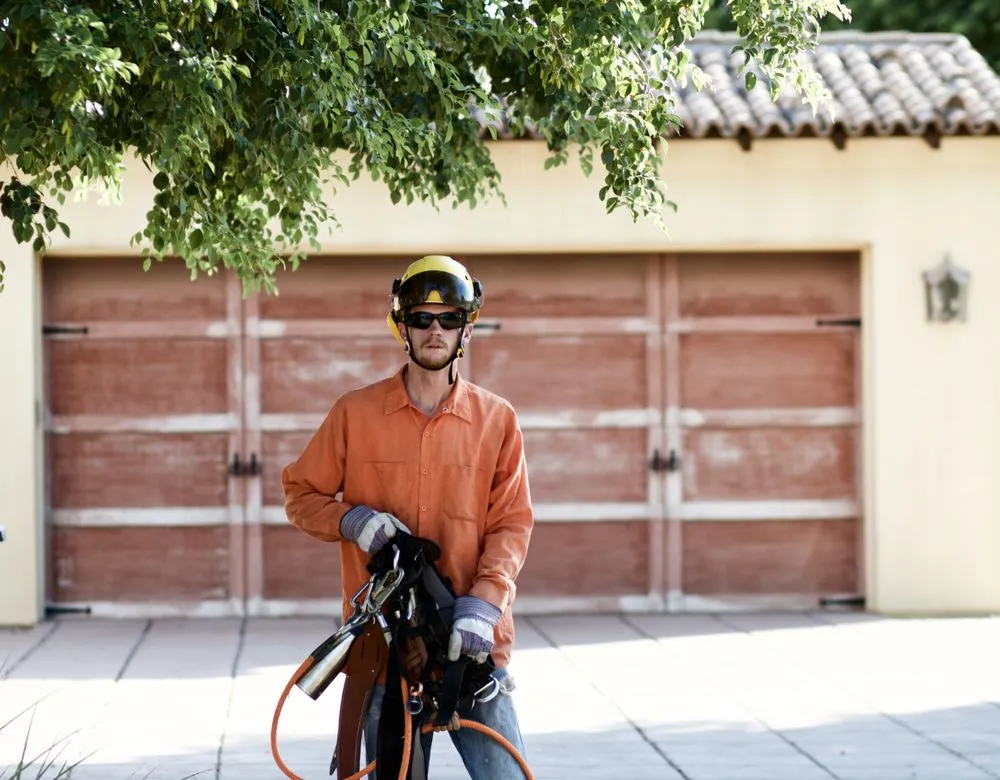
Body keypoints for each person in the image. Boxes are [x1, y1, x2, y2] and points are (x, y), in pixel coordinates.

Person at [280, 254, 534, 779]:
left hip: (472, 648)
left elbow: (511, 523)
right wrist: (349, 520)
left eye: (449, 318)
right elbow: (300, 493)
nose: (434, 329)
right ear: (402, 325)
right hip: (386, 650)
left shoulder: (498, 420)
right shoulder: (354, 413)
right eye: (421, 318)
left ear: (468, 326)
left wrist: (485, 604)